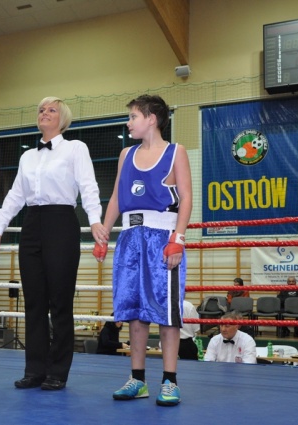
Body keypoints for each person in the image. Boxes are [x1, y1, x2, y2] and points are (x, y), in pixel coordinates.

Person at [0, 96, 105, 391]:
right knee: (34, 301)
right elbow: (15, 195)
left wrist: (95, 221)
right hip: (32, 224)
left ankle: (58, 372)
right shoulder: (28, 156)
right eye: (41, 109)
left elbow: (88, 186)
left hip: (61, 222)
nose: (44, 113)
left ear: (63, 119)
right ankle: (34, 370)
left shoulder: (76, 148)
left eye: (52, 110)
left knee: (60, 301)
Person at [93, 94, 192, 407]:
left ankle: (170, 381)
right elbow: (116, 197)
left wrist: (178, 239)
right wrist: (104, 233)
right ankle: (137, 379)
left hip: (163, 237)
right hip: (130, 237)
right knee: (135, 312)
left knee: (166, 312)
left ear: (151, 119)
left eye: (133, 116)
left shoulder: (176, 152)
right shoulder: (126, 154)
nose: (128, 123)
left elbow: (187, 197)